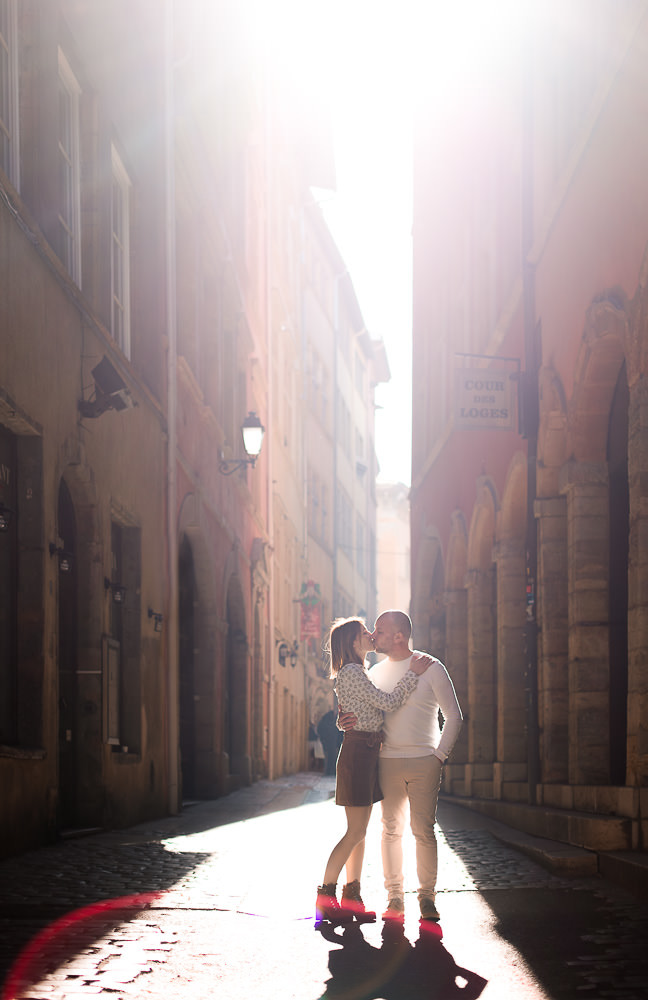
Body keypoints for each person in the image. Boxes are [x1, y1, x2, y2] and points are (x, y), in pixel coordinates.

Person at [339, 610, 463, 924]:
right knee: (390, 831)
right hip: (386, 761)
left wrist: (439, 755)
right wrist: (344, 720)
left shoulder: (431, 667)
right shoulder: (374, 672)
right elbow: (361, 708)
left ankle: (427, 897)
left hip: (425, 761)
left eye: (379, 630)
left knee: (424, 831)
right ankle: (395, 898)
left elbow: (454, 716)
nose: (373, 635)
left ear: (398, 636)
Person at [316, 616, 431, 927]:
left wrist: (343, 720)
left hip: (365, 752)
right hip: (358, 754)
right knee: (354, 832)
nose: (370, 634)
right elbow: (388, 703)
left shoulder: (356, 671)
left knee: (359, 832)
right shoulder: (353, 672)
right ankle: (325, 898)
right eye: (364, 632)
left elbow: (357, 709)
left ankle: (352, 898)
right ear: (353, 642)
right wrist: (412, 674)